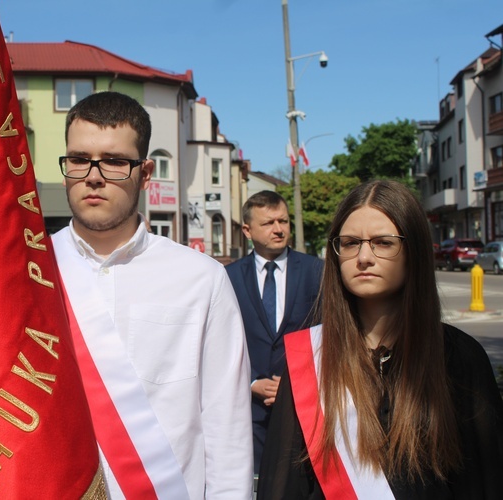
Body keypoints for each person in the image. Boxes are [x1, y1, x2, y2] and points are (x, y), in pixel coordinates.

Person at [52, 91, 253, 498]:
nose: (93, 175)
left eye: (113, 161)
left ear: (145, 173)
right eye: (79, 159)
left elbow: (225, 423)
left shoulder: (202, 279)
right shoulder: (29, 271)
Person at [258, 180, 503, 498]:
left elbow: (486, 482)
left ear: (413, 250)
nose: (363, 257)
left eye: (383, 243)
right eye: (349, 243)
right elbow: (283, 486)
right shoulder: (310, 358)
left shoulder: (460, 357)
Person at [225, 190, 323, 474]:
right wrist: (251, 380)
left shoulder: (317, 271)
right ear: (247, 229)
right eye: (268, 223)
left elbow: (330, 335)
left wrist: (296, 383)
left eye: (283, 221)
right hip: (247, 412)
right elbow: (220, 343)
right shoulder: (227, 278)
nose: (279, 229)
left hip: (302, 410)